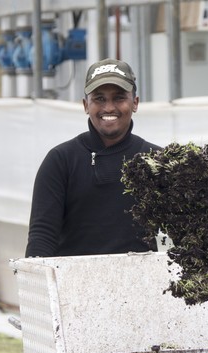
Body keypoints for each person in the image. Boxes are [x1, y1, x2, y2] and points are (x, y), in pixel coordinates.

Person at [25, 58, 161, 257]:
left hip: (143, 284)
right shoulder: (60, 161)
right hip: (73, 284)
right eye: (99, 98)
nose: (108, 108)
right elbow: (42, 236)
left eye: (119, 97)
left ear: (135, 103)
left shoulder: (158, 161)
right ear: (85, 105)